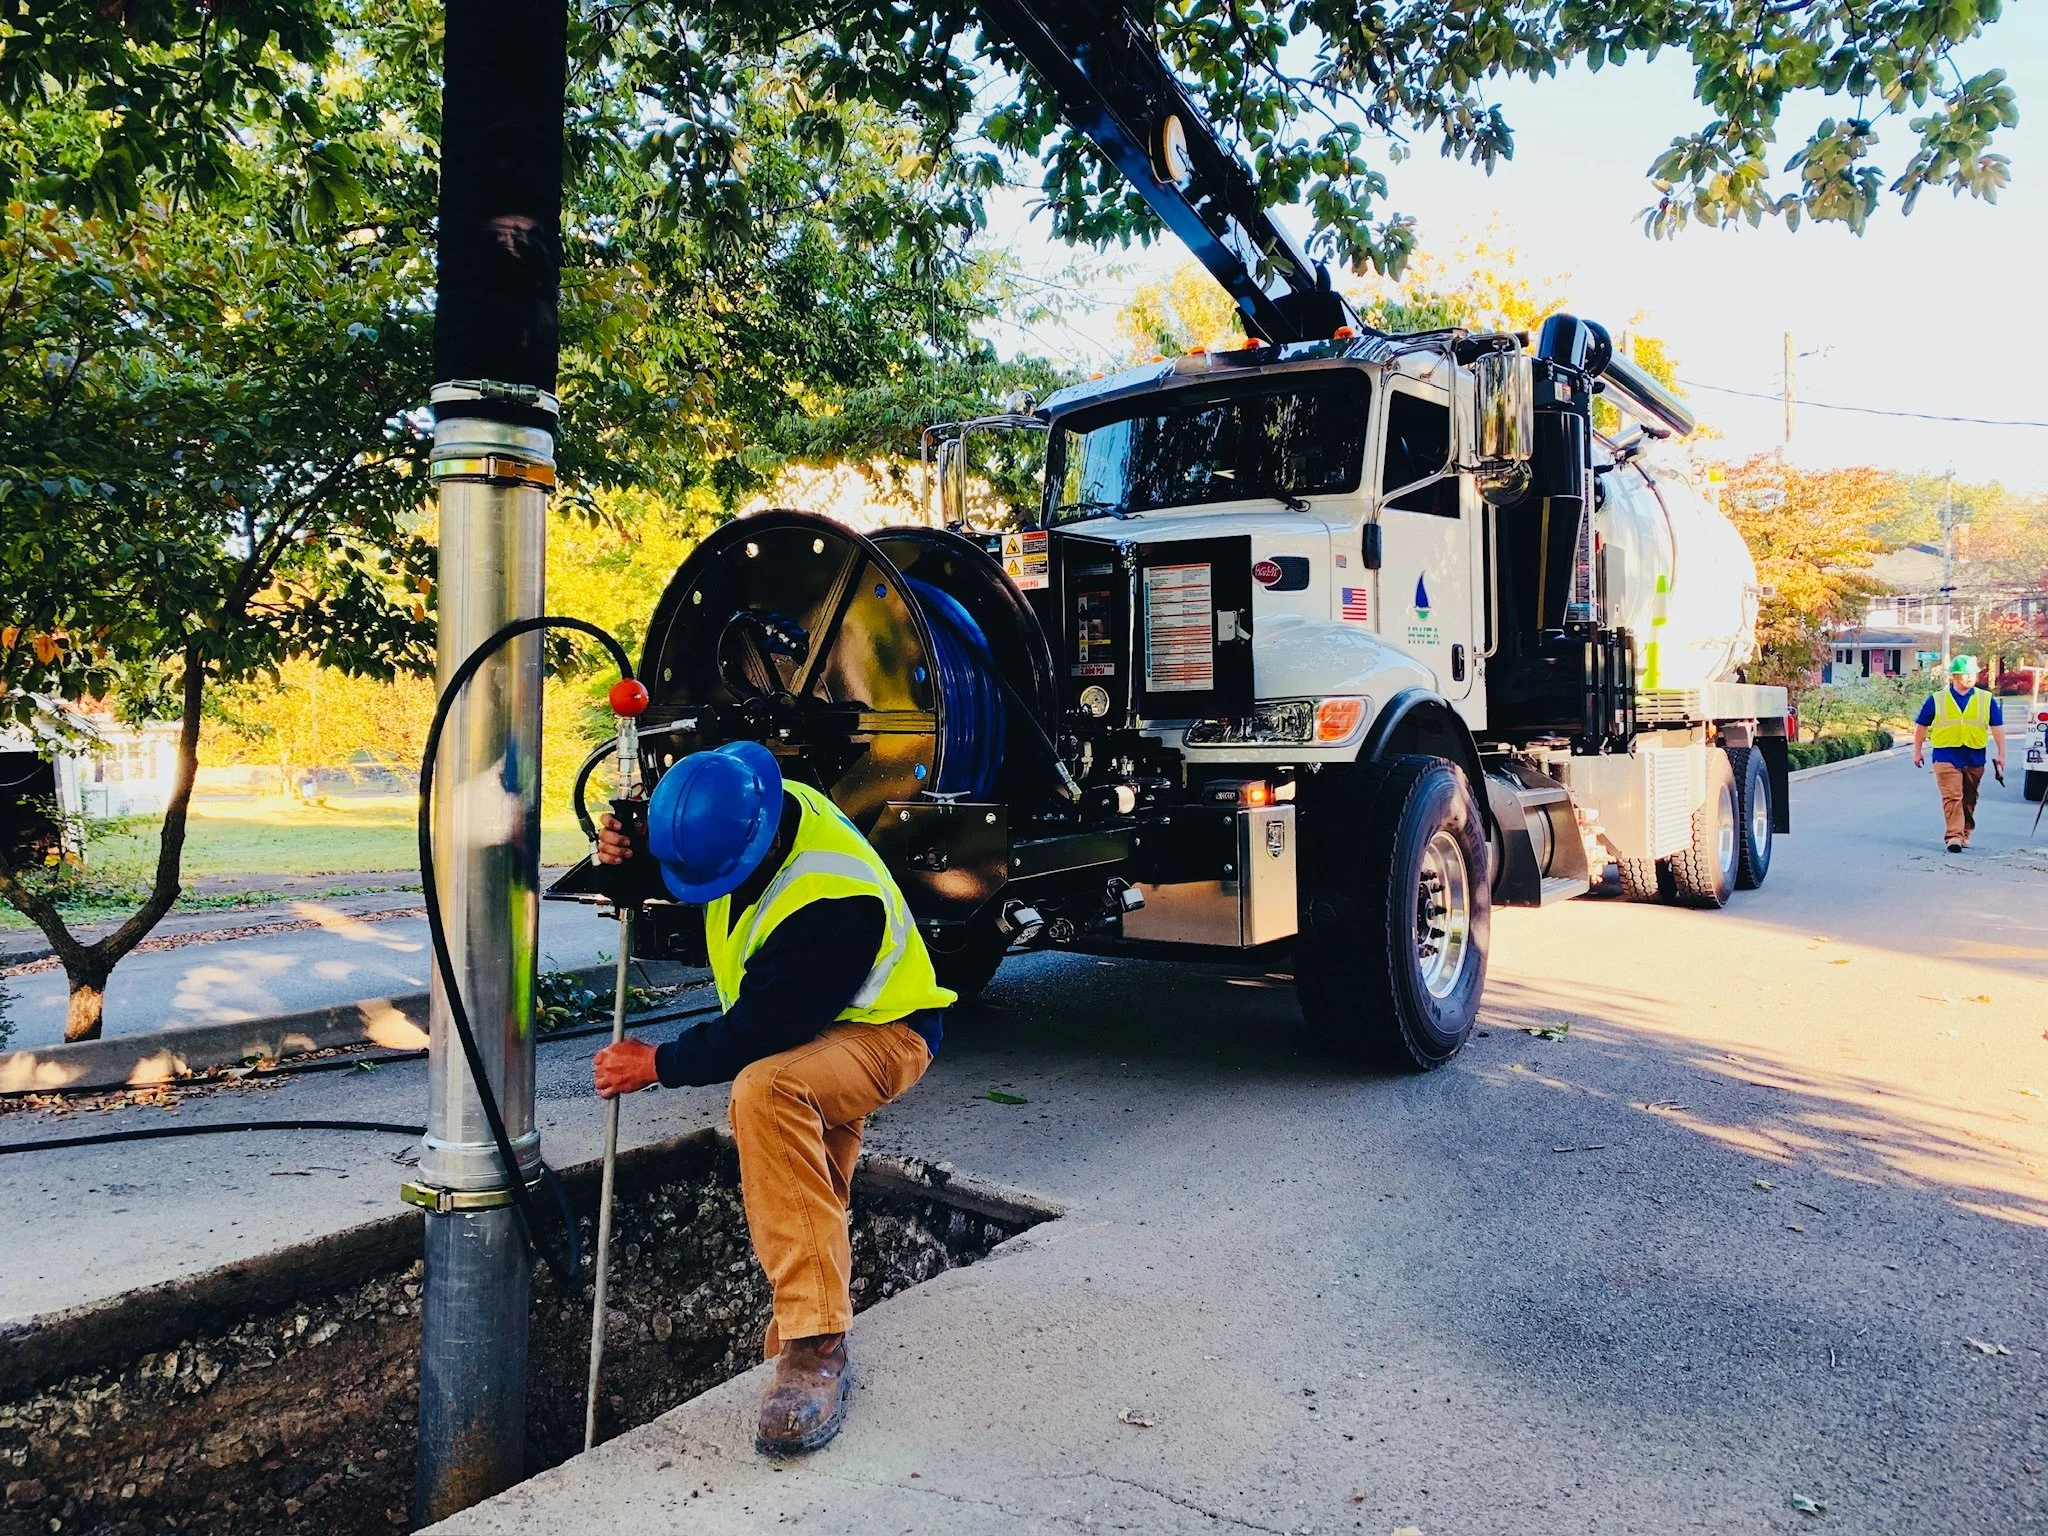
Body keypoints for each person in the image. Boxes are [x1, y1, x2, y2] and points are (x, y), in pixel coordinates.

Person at [588, 741, 954, 1455]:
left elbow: (759, 1032)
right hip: (823, 1021)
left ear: (751, 848)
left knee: (768, 1090)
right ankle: (795, 1347)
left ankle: (814, 1347)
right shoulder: (752, 805)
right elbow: (683, 865)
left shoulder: (831, 900)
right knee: (809, 1194)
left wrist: (655, 1062)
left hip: (886, 1032)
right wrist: (628, 859)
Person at [1912, 654, 2006, 853]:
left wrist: (2001, 754)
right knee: (1952, 796)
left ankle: (1965, 831)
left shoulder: (1985, 699)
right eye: (1965, 674)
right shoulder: (1936, 699)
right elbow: (1921, 726)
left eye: (1972, 674)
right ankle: (1953, 836)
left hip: (1974, 754)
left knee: (1969, 798)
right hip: (1946, 754)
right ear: (1954, 676)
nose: (1970, 678)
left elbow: (1997, 727)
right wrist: (1917, 751)